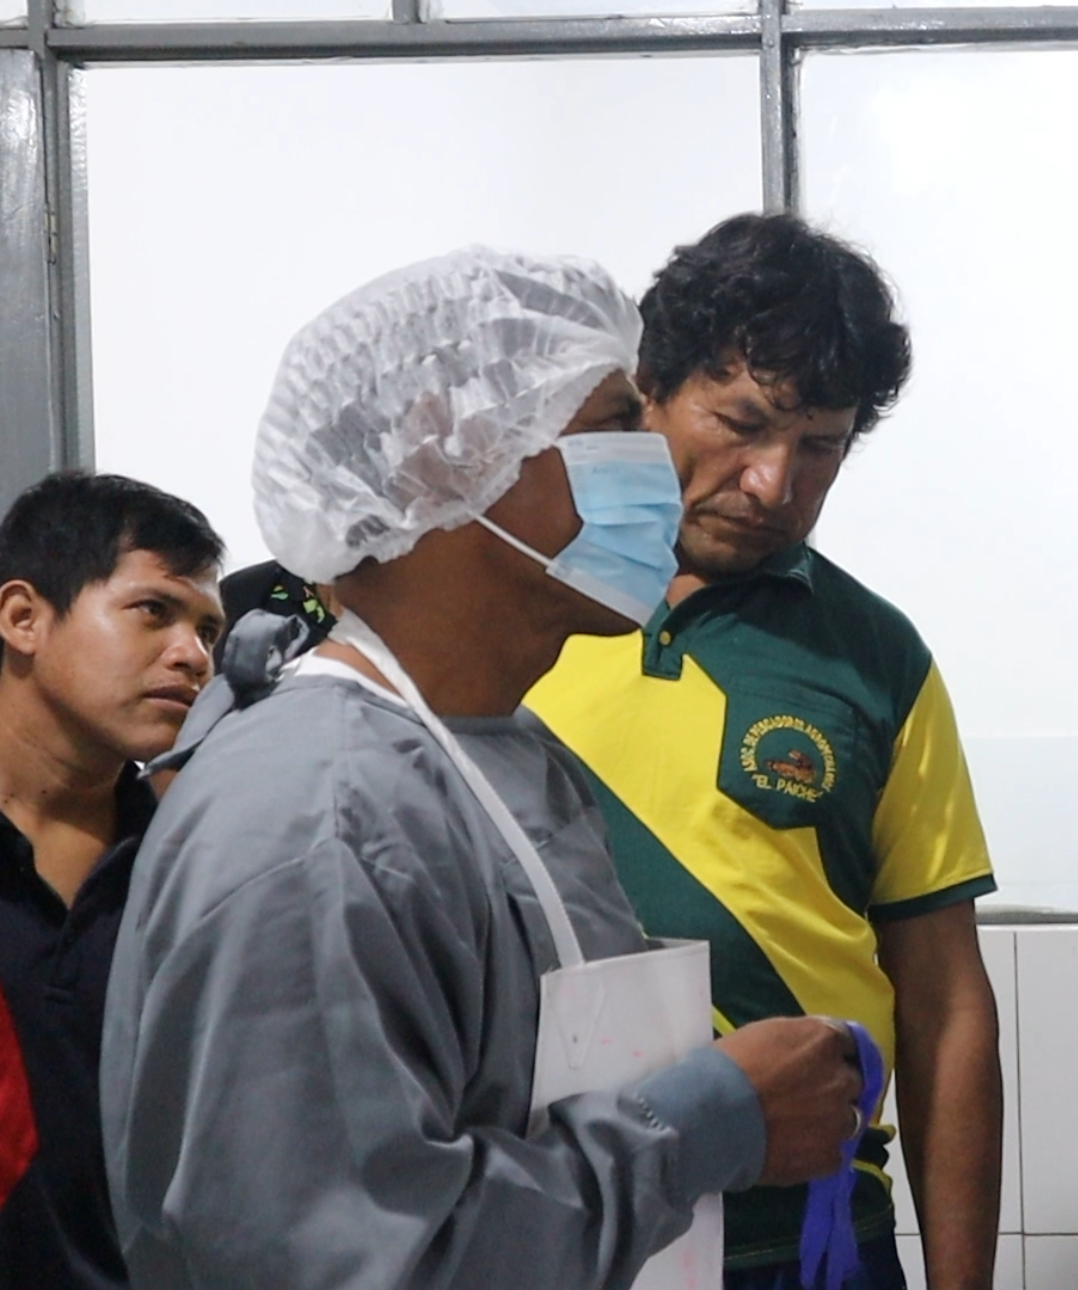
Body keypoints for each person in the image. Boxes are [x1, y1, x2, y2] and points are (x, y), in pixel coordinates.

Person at [102, 248, 871, 1289]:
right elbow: (343, 1257)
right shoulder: (319, 816)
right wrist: (704, 1126)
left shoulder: (498, 761)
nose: (659, 467)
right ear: (441, 460)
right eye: (612, 427)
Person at [528, 214, 1002, 1289]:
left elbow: (945, 1004)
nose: (773, 484)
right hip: (554, 1220)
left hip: (809, 1238)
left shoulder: (876, 658)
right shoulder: (516, 605)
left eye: (820, 447)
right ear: (647, 386)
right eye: (741, 424)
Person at [0, 473, 223, 1288]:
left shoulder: (194, 870)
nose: (193, 656)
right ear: (23, 618)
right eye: (154, 611)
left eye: (208, 630)